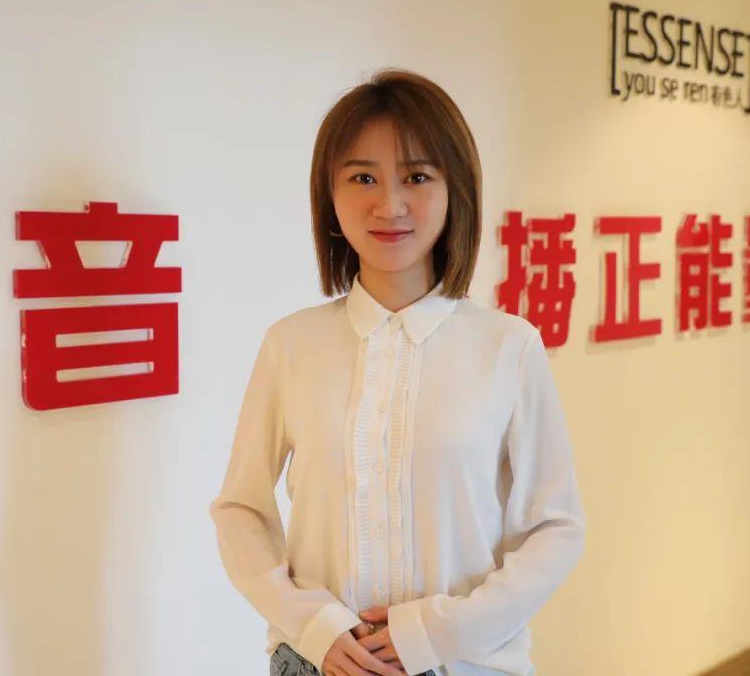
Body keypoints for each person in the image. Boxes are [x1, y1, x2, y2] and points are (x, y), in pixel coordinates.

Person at [208, 68, 586, 676]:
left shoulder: (508, 346)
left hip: (467, 663)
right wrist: (312, 624)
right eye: (363, 178)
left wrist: (441, 630)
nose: (389, 205)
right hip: (320, 662)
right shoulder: (291, 345)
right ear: (330, 198)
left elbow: (555, 528)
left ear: (455, 190)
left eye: (416, 176)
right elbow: (240, 509)